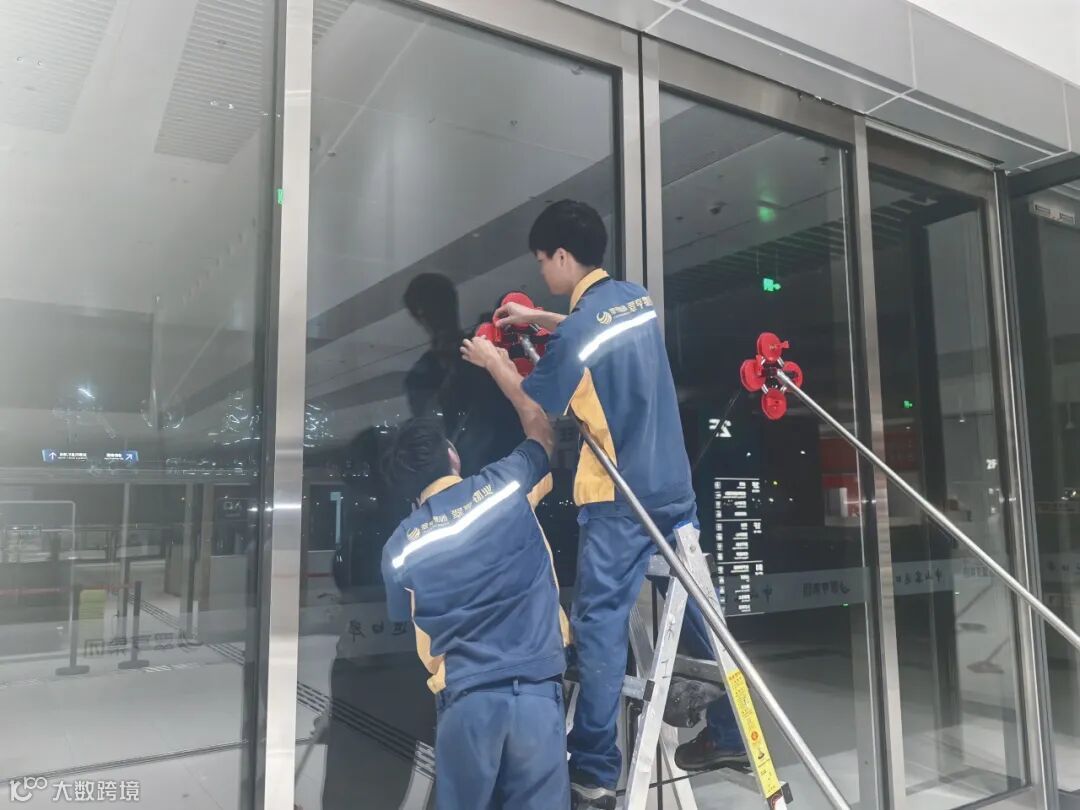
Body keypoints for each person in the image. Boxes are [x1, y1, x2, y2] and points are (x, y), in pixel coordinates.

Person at [462, 200, 747, 810]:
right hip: (672, 488)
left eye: (544, 261)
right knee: (700, 612)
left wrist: (493, 361)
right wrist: (536, 316)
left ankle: (592, 771)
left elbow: (537, 407)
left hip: (620, 499)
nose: (543, 272)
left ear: (563, 256)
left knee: (598, 629)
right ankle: (731, 732)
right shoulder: (635, 299)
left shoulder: (578, 332)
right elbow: (589, 324)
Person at [380, 346, 571, 809]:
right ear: (452, 455)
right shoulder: (504, 485)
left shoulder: (399, 548)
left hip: (466, 701)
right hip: (537, 689)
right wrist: (497, 365)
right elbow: (541, 432)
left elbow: (405, 619)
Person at [403, 272, 523, 475]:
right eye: (430, 308)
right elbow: (433, 425)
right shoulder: (420, 376)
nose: (438, 315)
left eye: (442, 304)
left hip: (510, 458)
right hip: (471, 472)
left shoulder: (485, 344)